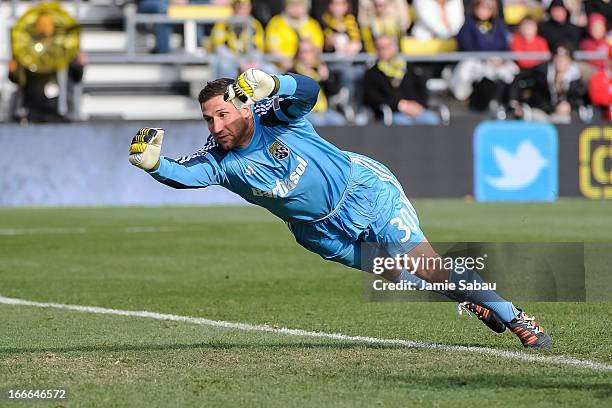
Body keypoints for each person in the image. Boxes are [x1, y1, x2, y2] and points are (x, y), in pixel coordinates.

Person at [128, 68, 552, 349]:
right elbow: (182, 174)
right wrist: (153, 165)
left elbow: (310, 92)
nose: (216, 127)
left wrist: (276, 82)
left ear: (242, 106)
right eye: (207, 119)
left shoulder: (275, 116)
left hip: (366, 193)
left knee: (430, 267)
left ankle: (518, 319)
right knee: (404, 277)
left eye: (221, 114)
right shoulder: (218, 160)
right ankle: (469, 296)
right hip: (320, 233)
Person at [8, 13, 86, 123]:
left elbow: (76, 76)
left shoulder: (64, 49)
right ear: (37, 27)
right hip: (33, 110)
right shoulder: (28, 50)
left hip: (58, 110)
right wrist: (13, 70)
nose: (44, 27)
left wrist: (79, 65)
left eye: (47, 24)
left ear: (53, 26)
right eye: (41, 24)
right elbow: (17, 79)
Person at [451, 0, 518, 111]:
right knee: (468, 72)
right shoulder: (468, 25)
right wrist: (486, 58)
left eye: (488, 8)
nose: (484, 11)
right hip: (477, 62)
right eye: (481, 8)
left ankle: (507, 103)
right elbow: (466, 46)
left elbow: (505, 47)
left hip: (497, 62)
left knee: (512, 71)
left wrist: (502, 59)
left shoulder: (498, 25)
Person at [363, 35, 440, 125]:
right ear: (376, 50)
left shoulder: (410, 68)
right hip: (392, 113)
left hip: (415, 110)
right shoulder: (372, 73)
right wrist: (401, 106)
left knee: (432, 120)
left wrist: (418, 105)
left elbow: (422, 91)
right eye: (380, 48)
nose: (384, 50)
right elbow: (374, 99)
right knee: (403, 122)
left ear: (394, 47)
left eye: (387, 46)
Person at [509, 44, 584, 123]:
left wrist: (569, 106)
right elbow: (518, 77)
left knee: (565, 120)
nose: (560, 60)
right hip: (539, 111)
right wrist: (514, 101)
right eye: (557, 56)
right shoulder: (543, 70)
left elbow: (577, 100)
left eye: (564, 57)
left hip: (560, 115)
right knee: (535, 118)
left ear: (570, 60)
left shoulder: (575, 77)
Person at [207, 0, 273, 78]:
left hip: (250, 61)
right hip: (230, 61)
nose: (240, 9)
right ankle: (227, 90)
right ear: (233, 7)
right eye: (238, 6)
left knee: (271, 70)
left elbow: (258, 48)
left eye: (244, 6)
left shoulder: (255, 25)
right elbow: (220, 49)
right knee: (225, 67)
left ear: (249, 8)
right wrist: (240, 63)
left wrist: (253, 63)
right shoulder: (222, 24)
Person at [292, 39, 347, 126]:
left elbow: (334, 92)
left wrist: (326, 79)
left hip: (323, 110)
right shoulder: (293, 72)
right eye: (301, 52)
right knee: (319, 121)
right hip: (305, 111)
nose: (304, 55)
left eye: (308, 52)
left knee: (340, 121)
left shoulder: (318, 70)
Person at [265, 0, 324, 71]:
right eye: (292, 5)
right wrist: (291, 64)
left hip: (307, 65)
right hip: (281, 67)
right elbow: (273, 48)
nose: (296, 8)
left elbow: (317, 47)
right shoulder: (276, 23)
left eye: (300, 5)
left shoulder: (313, 24)